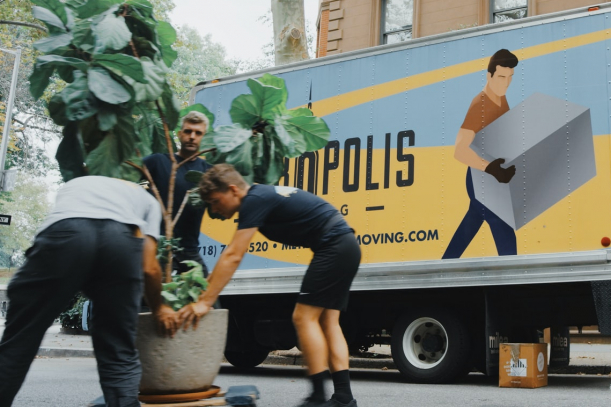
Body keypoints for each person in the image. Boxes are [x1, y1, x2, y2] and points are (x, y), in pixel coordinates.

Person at [179, 164, 361, 407]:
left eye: (214, 201)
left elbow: (233, 254)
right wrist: (203, 294)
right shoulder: (260, 196)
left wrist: (205, 303)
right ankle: (343, 398)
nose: (214, 208)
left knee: (302, 318)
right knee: (328, 321)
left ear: (233, 190)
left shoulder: (253, 200)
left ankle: (317, 398)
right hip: (344, 245)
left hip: (334, 246)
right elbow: (228, 257)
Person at [0, 176, 178, 407]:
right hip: (120, 242)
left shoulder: (77, 183)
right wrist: (160, 308)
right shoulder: (148, 201)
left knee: (19, 342)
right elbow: (149, 267)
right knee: (119, 352)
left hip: (67, 233)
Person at [442, 49, 519, 259]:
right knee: (502, 225)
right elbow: (459, 149)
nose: (506, 83)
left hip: (493, 177)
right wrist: (490, 168)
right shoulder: (481, 105)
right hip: (481, 179)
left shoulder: (501, 100)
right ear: (489, 75)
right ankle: (514, 278)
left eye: (510, 77)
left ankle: (445, 264)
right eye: (501, 77)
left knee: (472, 221)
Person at [143, 111, 213, 275]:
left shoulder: (208, 172)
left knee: (205, 297)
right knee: (152, 299)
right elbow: (126, 175)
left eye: (198, 133)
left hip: (189, 250)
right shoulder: (158, 162)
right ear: (180, 134)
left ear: (203, 137)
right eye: (188, 131)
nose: (192, 137)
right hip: (158, 248)